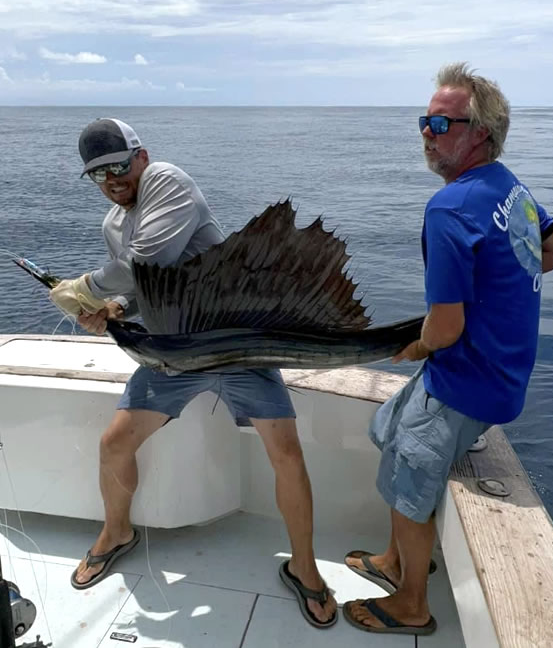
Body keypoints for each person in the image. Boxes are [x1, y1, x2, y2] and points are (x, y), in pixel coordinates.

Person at [49, 117, 337, 629]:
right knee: (115, 443)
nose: (113, 179)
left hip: (234, 346)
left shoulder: (167, 182)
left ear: (141, 155)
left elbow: (149, 260)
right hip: (173, 354)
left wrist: (87, 287)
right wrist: (112, 308)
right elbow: (143, 291)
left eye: (118, 165)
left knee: (286, 454)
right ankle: (117, 533)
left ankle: (305, 568)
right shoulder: (112, 225)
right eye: (98, 175)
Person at [342, 63, 553, 635]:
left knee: (409, 476)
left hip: (465, 380)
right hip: (501, 375)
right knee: (387, 430)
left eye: (442, 124)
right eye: (425, 120)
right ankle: (394, 558)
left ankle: (411, 604)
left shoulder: (448, 208)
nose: (427, 131)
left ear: (481, 132)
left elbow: (443, 329)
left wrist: (415, 346)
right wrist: (498, 292)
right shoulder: (508, 185)